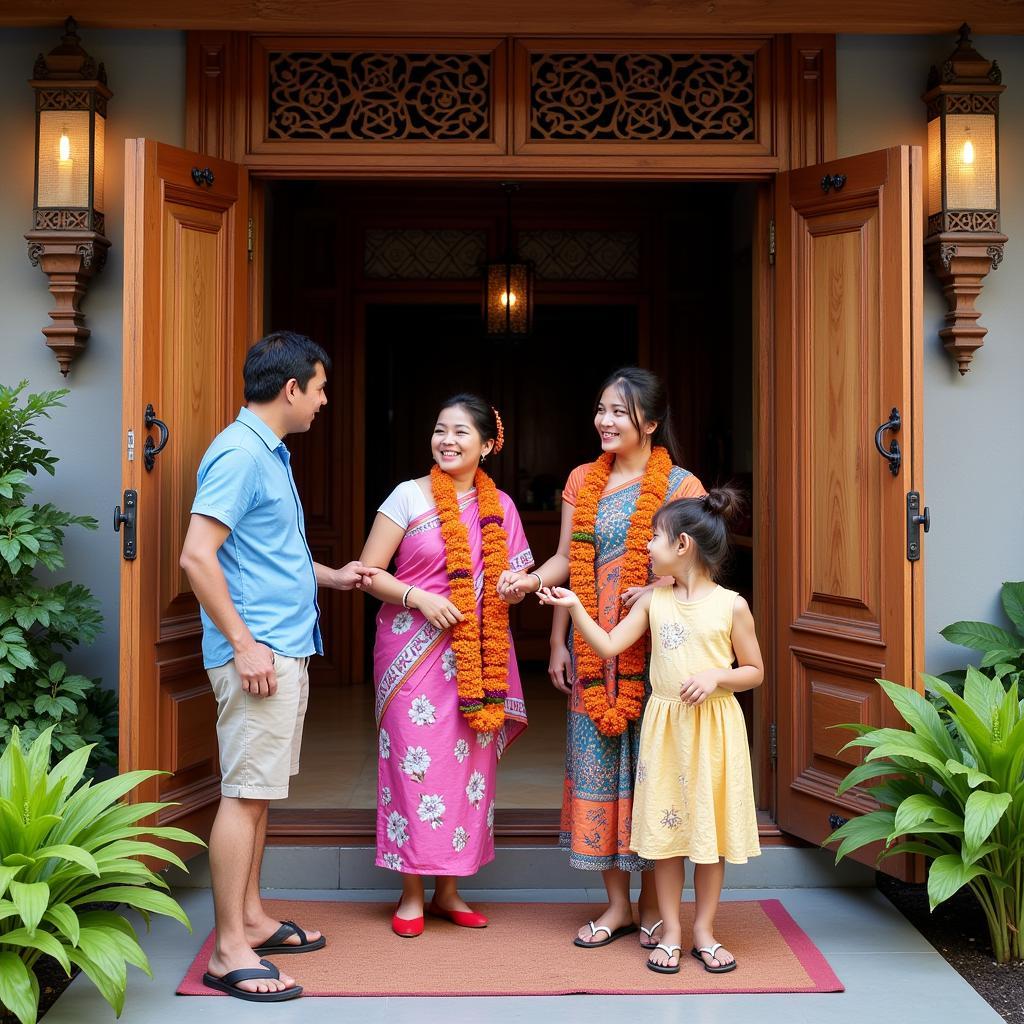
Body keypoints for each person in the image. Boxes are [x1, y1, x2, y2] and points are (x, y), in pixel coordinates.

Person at [180, 330, 378, 1002]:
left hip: (280, 646)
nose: (324, 402)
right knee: (244, 796)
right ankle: (228, 950)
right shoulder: (239, 455)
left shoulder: (269, 452)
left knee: (259, 795)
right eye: (320, 389)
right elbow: (198, 556)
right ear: (292, 388)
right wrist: (244, 644)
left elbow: (265, 557)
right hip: (258, 655)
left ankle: (253, 920)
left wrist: (333, 576)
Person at [498, 367, 705, 950]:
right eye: (601, 409)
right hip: (595, 648)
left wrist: (662, 588)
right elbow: (568, 560)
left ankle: (654, 908)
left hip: (659, 658)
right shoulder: (581, 479)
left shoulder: (682, 487)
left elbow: (701, 568)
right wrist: (550, 622)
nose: (606, 421)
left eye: (621, 411)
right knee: (598, 768)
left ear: (652, 423)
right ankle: (616, 905)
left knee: (654, 776)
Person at [538, 487, 763, 975]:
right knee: (666, 836)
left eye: (654, 537)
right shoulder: (654, 601)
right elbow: (609, 643)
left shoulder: (731, 606)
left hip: (713, 733)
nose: (645, 545)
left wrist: (716, 676)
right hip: (665, 731)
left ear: (682, 545)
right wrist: (577, 608)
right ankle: (673, 933)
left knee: (707, 836)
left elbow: (754, 671)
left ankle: (704, 930)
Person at [359, 394, 532, 937]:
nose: (447, 440)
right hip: (412, 656)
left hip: (477, 657)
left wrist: (514, 586)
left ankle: (450, 889)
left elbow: (517, 579)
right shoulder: (407, 498)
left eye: (460, 432)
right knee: (415, 768)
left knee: (467, 774)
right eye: (440, 430)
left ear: (487, 444)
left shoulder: (501, 506)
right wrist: (418, 598)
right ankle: (412, 891)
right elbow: (369, 573)